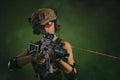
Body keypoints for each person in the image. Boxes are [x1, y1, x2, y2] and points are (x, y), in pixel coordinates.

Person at [8, 8, 77, 80]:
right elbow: (11, 65)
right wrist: (32, 57)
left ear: (55, 23)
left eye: (49, 24)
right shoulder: (35, 46)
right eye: (41, 26)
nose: (46, 29)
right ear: (37, 29)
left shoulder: (64, 45)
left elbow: (73, 76)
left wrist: (58, 60)